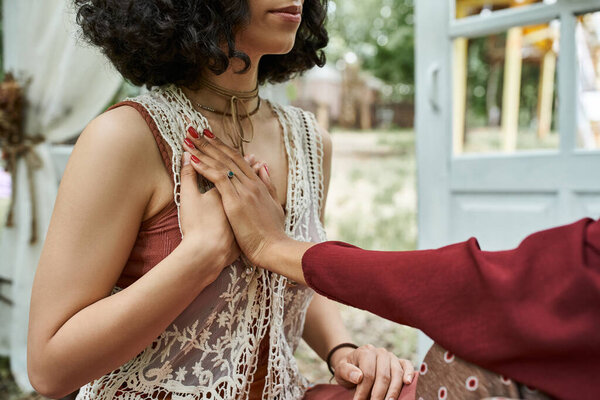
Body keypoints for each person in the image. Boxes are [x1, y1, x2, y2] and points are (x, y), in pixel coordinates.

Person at [26, 1, 415, 400]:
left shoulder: (311, 143)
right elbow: (48, 370)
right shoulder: (125, 138)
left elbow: (284, 281)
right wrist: (200, 256)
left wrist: (343, 352)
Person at [181, 132, 600, 400]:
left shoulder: (307, 140)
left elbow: (491, 288)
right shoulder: (133, 137)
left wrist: (274, 246)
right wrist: (344, 353)